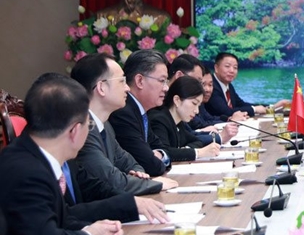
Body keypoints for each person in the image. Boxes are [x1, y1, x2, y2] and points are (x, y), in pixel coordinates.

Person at [0, 74, 123, 235]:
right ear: (75, 131)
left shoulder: (35, 156)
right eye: (88, 125)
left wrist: (97, 230)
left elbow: (60, 220)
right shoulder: (26, 170)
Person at [70, 54, 175, 221]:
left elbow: (129, 162)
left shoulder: (105, 125)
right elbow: (111, 180)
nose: (127, 88)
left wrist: (139, 175)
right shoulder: (83, 130)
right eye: (121, 81)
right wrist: (153, 184)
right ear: (101, 88)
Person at [109, 49, 172, 177]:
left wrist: (160, 155)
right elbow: (151, 165)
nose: (166, 88)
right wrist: (155, 158)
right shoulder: (123, 113)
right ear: (139, 81)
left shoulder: (140, 110)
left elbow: (163, 148)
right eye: (162, 81)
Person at [169, 54, 239, 145]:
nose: (202, 88)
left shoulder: (190, 97)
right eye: (198, 82)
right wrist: (220, 137)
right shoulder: (163, 105)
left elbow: (188, 135)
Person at [148, 76, 221, 162]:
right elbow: (163, 152)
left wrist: (185, 150)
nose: (197, 111)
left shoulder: (178, 122)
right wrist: (199, 152)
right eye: (194, 103)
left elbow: (197, 141)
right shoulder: (159, 120)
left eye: (198, 106)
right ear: (177, 100)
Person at [204, 52, 289, 120]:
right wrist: (254, 109)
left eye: (235, 67)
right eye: (227, 66)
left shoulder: (228, 85)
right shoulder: (211, 86)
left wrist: (272, 107)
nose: (232, 70)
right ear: (216, 68)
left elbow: (241, 104)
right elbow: (226, 112)